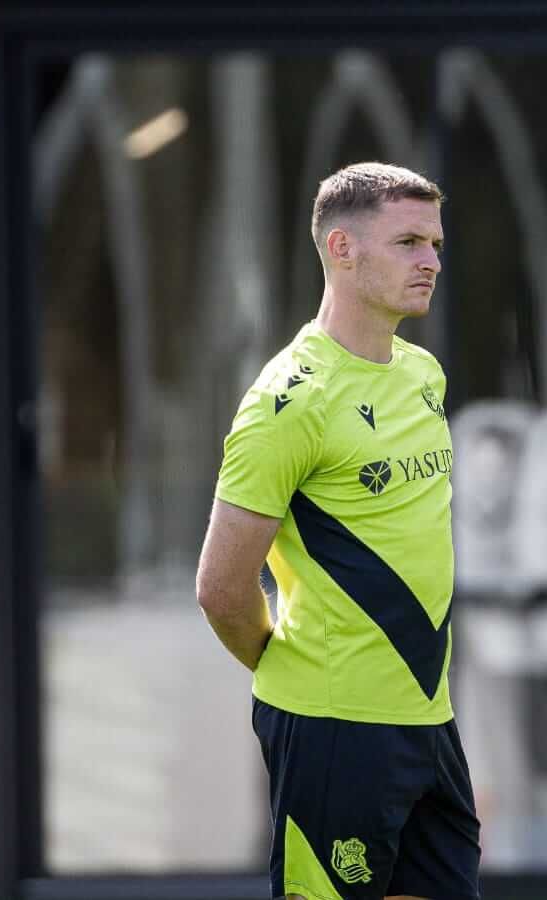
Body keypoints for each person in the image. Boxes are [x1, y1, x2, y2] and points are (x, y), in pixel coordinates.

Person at [196, 162, 480, 900]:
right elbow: (222, 588)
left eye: (436, 244)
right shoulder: (289, 402)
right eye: (409, 241)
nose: (431, 262)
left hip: (430, 717)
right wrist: (294, 672)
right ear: (341, 250)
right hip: (333, 727)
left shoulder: (422, 373)